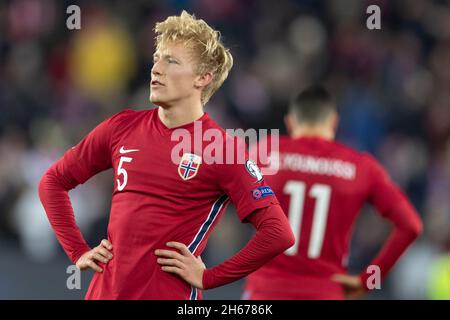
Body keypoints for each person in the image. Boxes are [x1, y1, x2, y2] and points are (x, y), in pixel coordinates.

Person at [38, 11, 294, 300]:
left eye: (171, 60)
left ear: (202, 77)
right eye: (157, 58)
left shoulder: (222, 149)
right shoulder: (121, 126)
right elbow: (52, 181)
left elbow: (278, 233)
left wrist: (209, 278)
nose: (156, 68)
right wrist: (78, 251)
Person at [244, 85, 423, 299]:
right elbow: (411, 225)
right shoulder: (360, 166)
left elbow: (213, 194)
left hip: (266, 292)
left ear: (290, 122)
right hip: (326, 292)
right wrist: (369, 279)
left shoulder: (266, 152)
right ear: (334, 122)